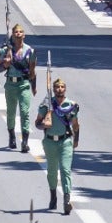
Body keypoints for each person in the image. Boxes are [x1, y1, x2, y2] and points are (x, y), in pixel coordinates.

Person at [36, 77, 79, 213]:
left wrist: (76, 140)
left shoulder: (71, 105)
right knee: (52, 171)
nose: (59, 89)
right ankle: (53, 196)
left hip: (65, 141)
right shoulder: (47, 105)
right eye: (57, 87)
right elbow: (37, 123)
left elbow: (76, 125)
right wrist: (43, 124)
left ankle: (66, 200)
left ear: (65, 89)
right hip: (50, 141)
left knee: (66, 170)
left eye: (62, 87)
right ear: (53, 89)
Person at [0, 22, 36, 153]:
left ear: (24, 35)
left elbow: (32, 70)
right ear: (12, 35)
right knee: (11, 112)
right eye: (15, 32)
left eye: (20, 32)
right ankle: (12, 136)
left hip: (24, 84)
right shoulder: (5, 50)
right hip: (11, 84)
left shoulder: (30, 51)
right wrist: (5, 64)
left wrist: (33, 86)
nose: (18, 34)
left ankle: (25, 142)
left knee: (25, 112)